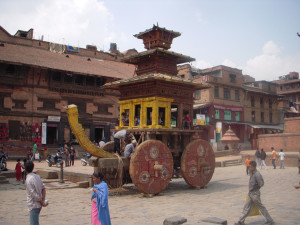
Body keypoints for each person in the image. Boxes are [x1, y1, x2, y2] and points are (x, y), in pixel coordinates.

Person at [234, 161, 274, 225]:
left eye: (251, 167)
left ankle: (270, 220)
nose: (250, 168)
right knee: (246, 207)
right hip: (250, 193)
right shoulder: (251, 173)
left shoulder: (257, 174)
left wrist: (256, 188)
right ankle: (241, 220)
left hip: (255, 193)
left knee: (261, 207)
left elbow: (261, 183)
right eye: (249, 167)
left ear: (254, 167)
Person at [25, 160, 48, 225]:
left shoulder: (28, 179)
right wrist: (43, 200)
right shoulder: (37, 176)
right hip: (39, 205)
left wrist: (41, 201)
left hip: (33, 204)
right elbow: (43, 188)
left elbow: (34, 195)